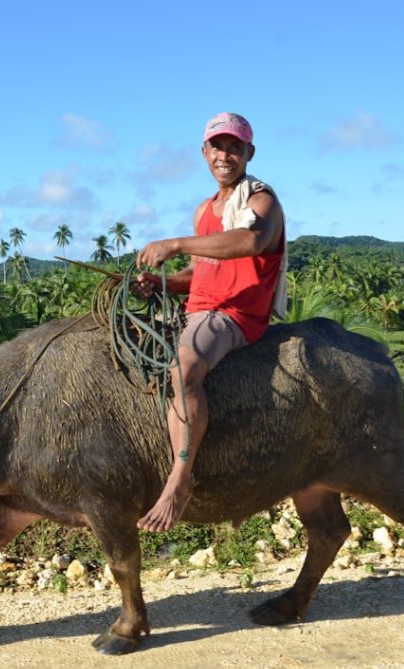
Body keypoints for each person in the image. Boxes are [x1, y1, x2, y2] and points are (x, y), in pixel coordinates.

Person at [133, 112, 286, 532]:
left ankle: (180, 480)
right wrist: (162, 284)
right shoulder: (205, 210)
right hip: (198, 309)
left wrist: (176, 242)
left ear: (249, 153)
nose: (226, 154)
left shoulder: (260, 200)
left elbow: (251, 240)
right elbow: (201, 274)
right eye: (218, 146)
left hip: (233, 314)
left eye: (235, 147)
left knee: (182, 370)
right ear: (204, 153)